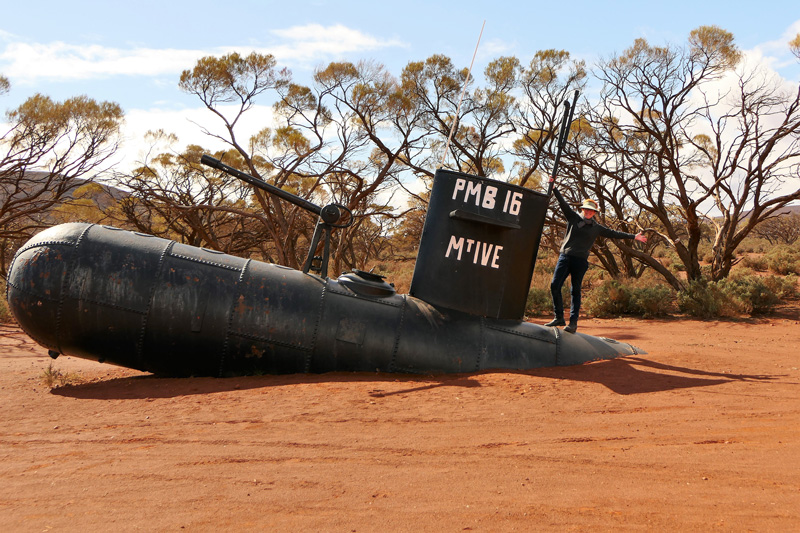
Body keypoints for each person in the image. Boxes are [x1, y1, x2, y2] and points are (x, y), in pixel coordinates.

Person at [546, 184, 647, 333]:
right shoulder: (573, 217)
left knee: (576, 291)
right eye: (586, 209)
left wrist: (633, 236)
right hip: (565, 257)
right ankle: (559, 317)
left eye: (591, 210)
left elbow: (614, 233)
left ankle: (573, 323)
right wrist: (554, 188)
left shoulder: (597, 227)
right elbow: (563, 204)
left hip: (580, 261)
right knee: (555, 285)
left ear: (594, 213)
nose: (588, 212)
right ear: (582, 209)